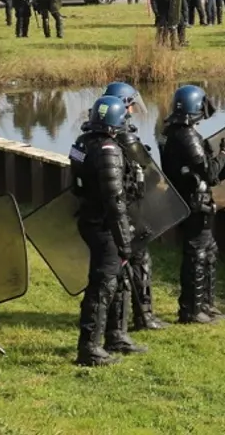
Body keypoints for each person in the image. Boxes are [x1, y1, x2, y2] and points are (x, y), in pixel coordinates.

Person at [69, 95, 147, 366]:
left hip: (91, 219)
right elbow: (115, 201)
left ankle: (116, 335)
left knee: (117, 280)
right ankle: (89, 348)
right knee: (103, 285)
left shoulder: (82, 144)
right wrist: (125, 242)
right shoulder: (108, 150)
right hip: (105, 225)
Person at [160, 85, 225, 324]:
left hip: (190, 200)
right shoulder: (186, 136)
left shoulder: (171, 132)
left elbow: (199, 170)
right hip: (194, 204)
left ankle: (205, 304)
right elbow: (207, 170)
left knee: (208, 253)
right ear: (195, 107)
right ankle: (192, 310)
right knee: (197, 254)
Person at [101, 82, 168, 332]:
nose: (131, 110)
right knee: (139, 261)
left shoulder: (96, 136)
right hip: (129, 209)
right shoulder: (125, 138)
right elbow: (151, 175)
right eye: (129, 105)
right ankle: (143, 315)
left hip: (110, 211)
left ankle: (116, 318)